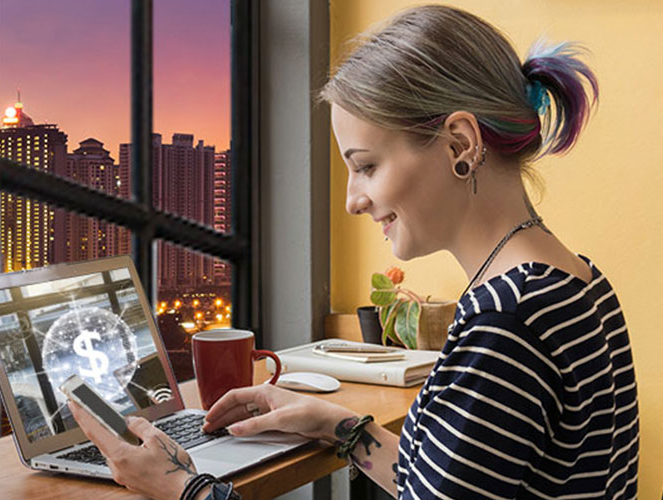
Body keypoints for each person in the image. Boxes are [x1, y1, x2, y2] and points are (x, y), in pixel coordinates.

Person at [68, 5, 639, 499]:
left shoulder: (506, 322)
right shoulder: (577, 282)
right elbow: (446, 485)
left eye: (366, 165)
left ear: (460, 145)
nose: (352, 201)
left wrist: (181, 487)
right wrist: (340, 428)